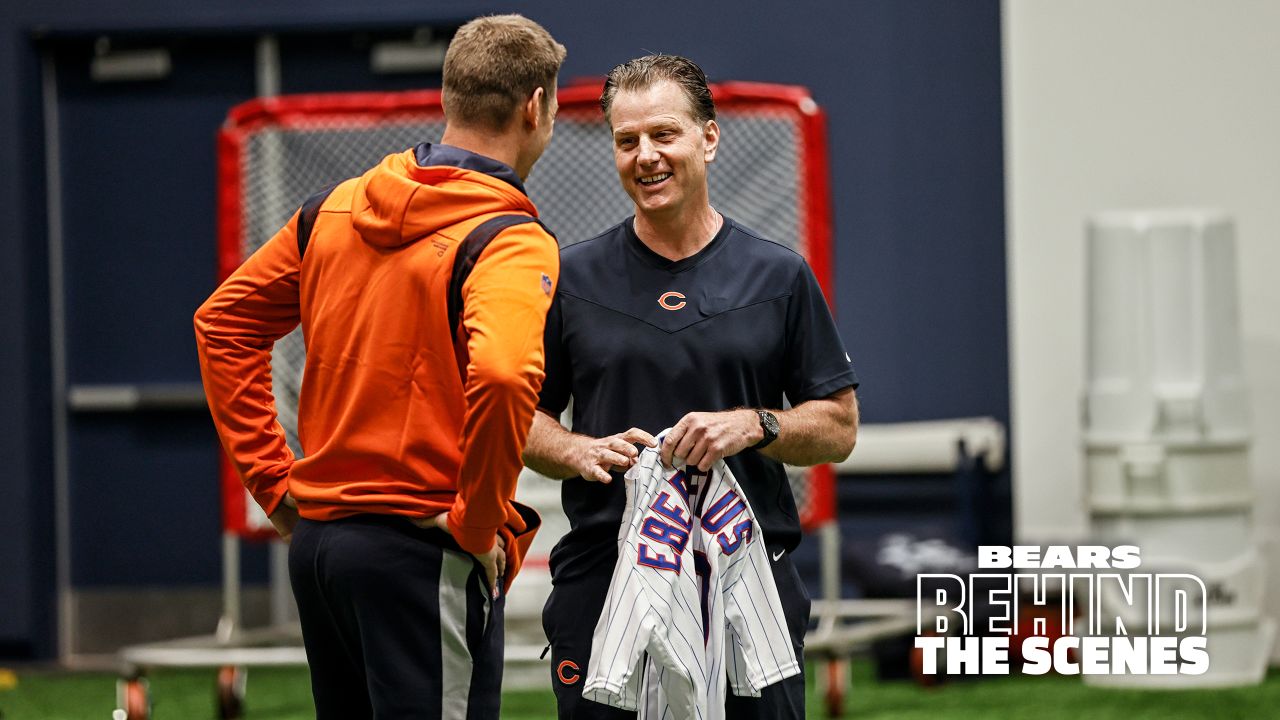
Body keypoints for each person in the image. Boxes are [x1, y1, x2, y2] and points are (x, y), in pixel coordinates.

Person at [194, 15, 565, 719]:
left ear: (450, 97)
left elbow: (222, 325)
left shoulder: (329, 211)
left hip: (321, 549)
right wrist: (477, 526)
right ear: (535, 107)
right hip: (420, 552)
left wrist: (276, 485)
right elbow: (507, 374)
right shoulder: (510, 238)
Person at [522, 54, 859, 720]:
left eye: (664, 134)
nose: (646, 156)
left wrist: (755, 424)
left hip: (747, 580)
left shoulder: (779, 276)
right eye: (627, 141)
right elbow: (523, 421)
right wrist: (578, 452)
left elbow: (839, 426)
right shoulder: (570, 277)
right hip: (606, 579)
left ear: (708, 137)